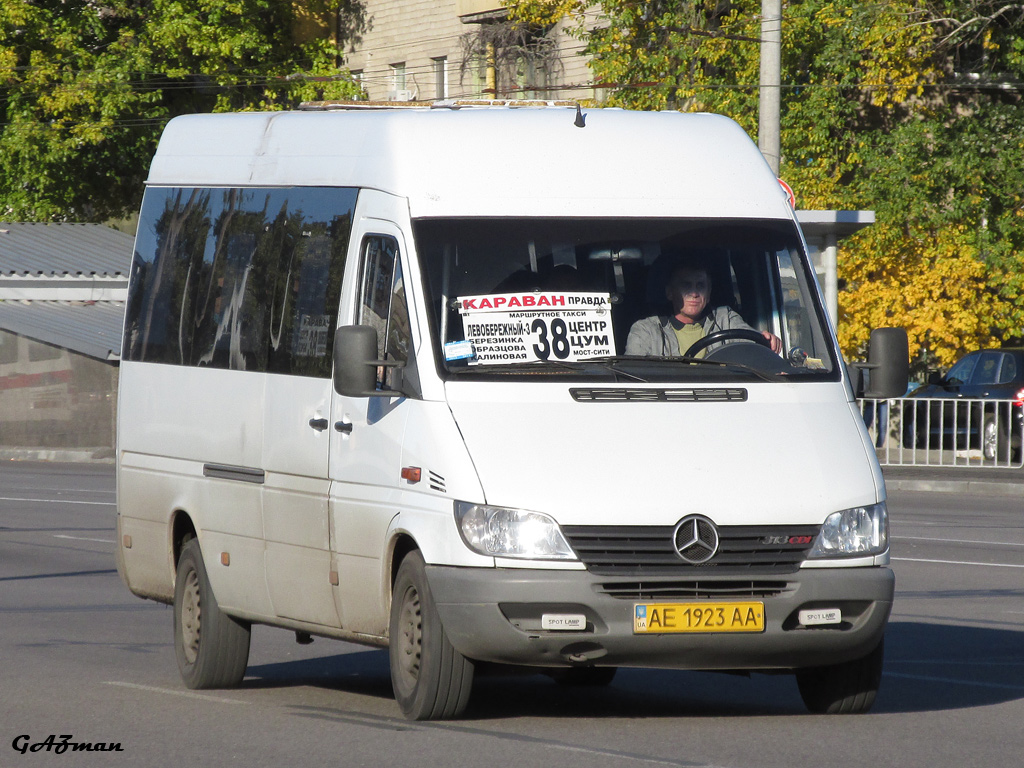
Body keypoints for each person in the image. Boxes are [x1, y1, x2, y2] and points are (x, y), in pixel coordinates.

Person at [625, 258, 782, 358]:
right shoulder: (645, 330)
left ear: (709, 291)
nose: (694, 293)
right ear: (670, 293)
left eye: (701, 285)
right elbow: (633, 377)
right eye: (686, 285)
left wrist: (766, 341)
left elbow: (750, 345)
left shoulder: (725, 318)